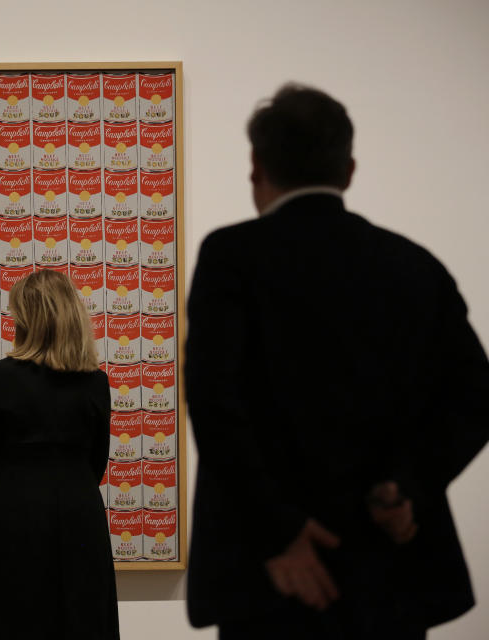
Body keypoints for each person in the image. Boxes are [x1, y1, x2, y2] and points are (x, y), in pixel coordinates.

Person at [185, 84, 489, 639]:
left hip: (268, 578)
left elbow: (215, 405)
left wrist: (279, 533)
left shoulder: (233, 258)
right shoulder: (414, 266)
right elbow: (474, 398)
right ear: (349, 169)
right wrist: (408, 487)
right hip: (389, 570)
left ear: (257, 166)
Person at [0, 269, 119, 639]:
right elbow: (98, 458)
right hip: (80, 511)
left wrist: (21, 479)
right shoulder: (96, 381)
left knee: (9, 616)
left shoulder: (1, 375)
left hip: (15, 509)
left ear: (28, 318)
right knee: (80, 616)